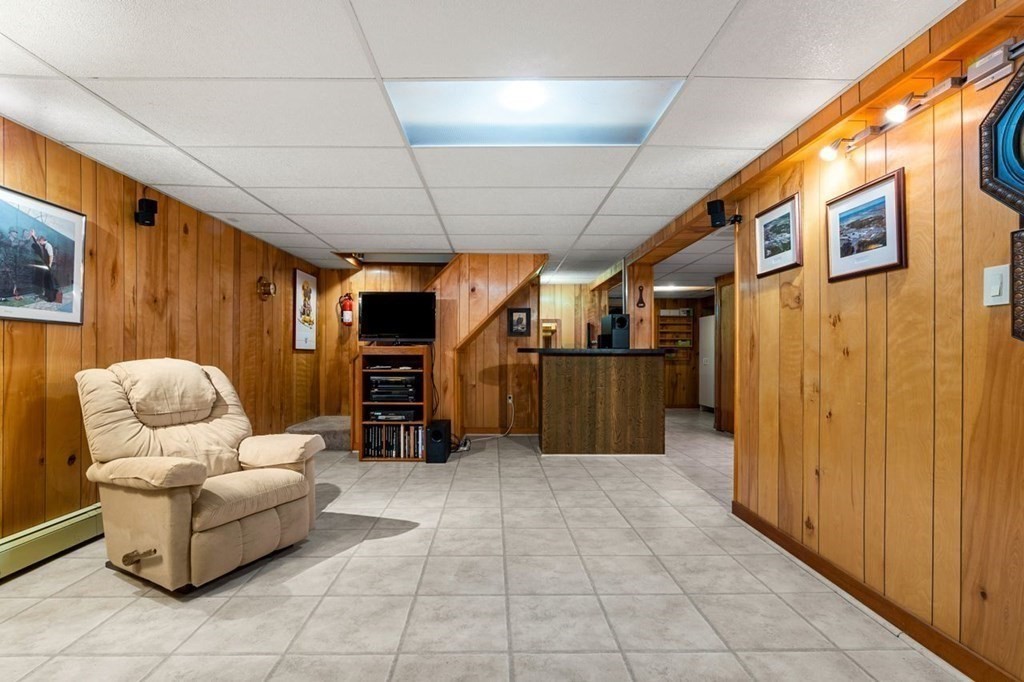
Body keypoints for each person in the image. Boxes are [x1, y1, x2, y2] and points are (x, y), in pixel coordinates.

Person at [29, 230, 59, 303]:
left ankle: (51, 297)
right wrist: (33, 235)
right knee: (46, 281)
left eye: (40, 241)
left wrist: (49, 266)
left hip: (49, 266)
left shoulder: (48, 245)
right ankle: (47, 295)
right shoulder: (43, 244)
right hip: (46, 266)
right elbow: (37, 241)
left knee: (49, 282)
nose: (39, 242)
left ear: (43, 240)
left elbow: (51, 256)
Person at [0, 228, 22, 301]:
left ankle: (8, 296)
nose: (16, 233)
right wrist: (4, 265)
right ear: (10, 233)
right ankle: (1, 296)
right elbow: (2, 254)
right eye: (14, 232)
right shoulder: (4, 241)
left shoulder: (16, 242)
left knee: (12, 281)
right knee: (3, 280)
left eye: (16, 232)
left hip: (13, 265)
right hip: (4, 266)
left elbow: (17, 254)